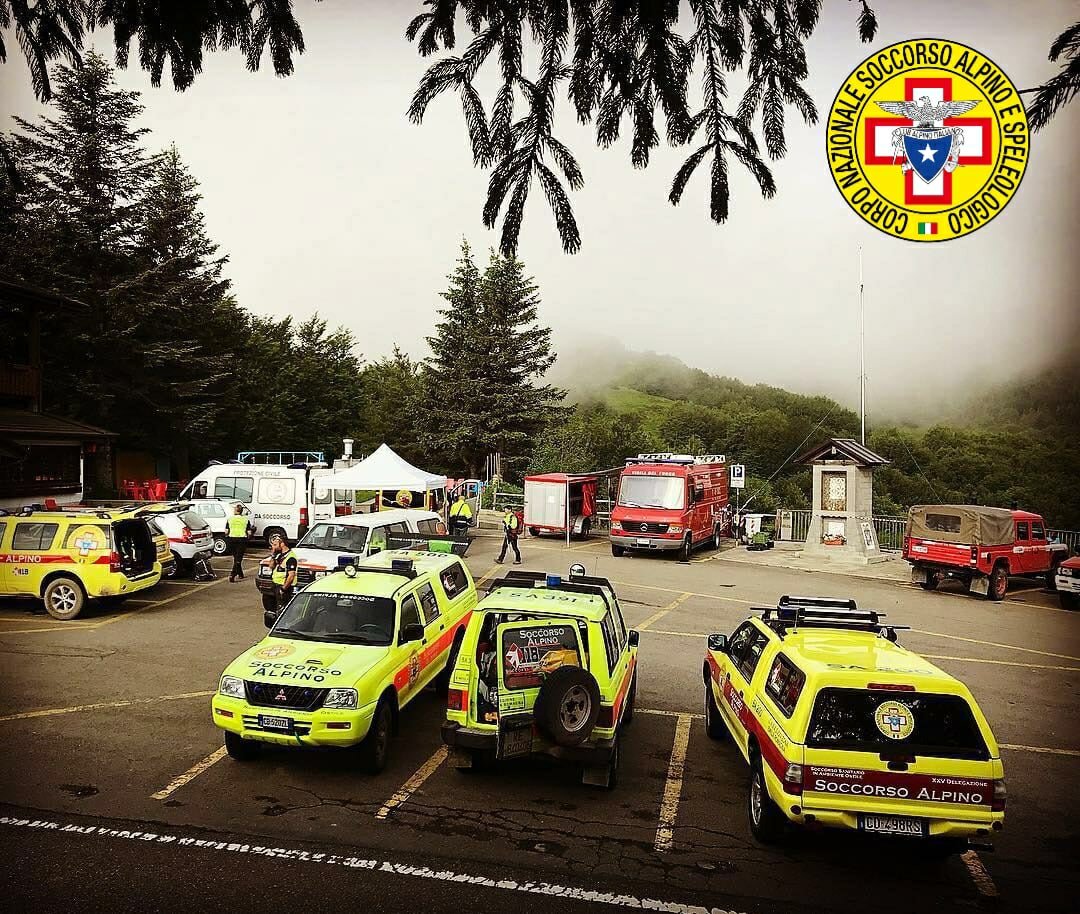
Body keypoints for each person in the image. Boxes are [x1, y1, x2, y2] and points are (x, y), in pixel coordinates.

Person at [269, 534, 298, 609]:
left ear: (282, 544)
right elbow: (271, 566)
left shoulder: (291, 558)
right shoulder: (279, 555)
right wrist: (273, 555)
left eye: (275, 545)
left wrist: (283, 589)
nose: (273, 547)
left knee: (282, 609)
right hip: (276, 585)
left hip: (284, 588)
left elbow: (291, 576)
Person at [226, 504, 252, 583]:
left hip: (232, 539)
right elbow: (249, 532)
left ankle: (240, 573)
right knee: (238, 558)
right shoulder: (245, 520)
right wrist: (248, 537)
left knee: (236, 557)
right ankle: (233, 574)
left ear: (235, 511)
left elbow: (226, 531)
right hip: (242, 539)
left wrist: (227, 536)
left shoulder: (230, 519)